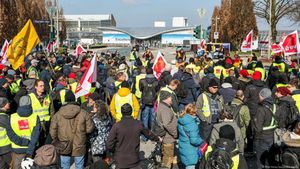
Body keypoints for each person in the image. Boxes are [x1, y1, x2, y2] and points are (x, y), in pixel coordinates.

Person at [50, 90, 94, 169]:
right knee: (79, 165)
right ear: (74, 100)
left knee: (65, 165)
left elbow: (52, 131)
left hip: (63, 143)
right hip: (79, 142)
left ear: (66, 100)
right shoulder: (83, 113)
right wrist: (82, 133)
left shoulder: (58, 114)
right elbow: (90, 129)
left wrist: (56, 140)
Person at [106, 103, 160, 169]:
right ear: (131, 112)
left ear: (122, 112)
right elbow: (149, 134)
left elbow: (109, 144)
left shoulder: (117, 126)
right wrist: (158, 138)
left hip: (121, 160)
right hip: (134, 160)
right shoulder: (138, 124)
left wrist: (115, 151)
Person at [8, 96, 41, 169]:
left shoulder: (12, 117)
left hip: (17, 150)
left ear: (19, 104)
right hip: (32, 150)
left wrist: (24, 142)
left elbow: (11, 135)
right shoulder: (35, 117)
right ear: (30, 104)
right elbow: (35, 136)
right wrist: (29, 150)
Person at [252, 88, 276, 169]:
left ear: (262, 96)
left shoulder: (261, 109)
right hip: (273, 136)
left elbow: (258, 127)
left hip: (262, 138)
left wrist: (255, 138)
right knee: (270, 159)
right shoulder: (276, 106)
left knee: (260, 160)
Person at [178, 104, 204, 169]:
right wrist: (202, 141)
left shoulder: (182, 119)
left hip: (184, 146)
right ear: (193, 113)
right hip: (190, 150)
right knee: (190, 166)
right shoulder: (192, 124)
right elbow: (194, 140)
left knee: (187, 165)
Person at [157, 91, 178, 169]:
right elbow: (167, 124)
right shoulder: (164, 109)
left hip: (168, 137)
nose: (171, 99)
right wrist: (175, 133)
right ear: (166, 98)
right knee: (167, 160)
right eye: (170, 97)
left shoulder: (163, 106)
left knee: (170, 158)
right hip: (168, 138)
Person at [139, 68, 159, 141]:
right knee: (153, 119)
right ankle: (153, 136)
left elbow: (140, 89)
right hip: (153, 101)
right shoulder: (156, 81)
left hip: (145, 101)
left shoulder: (142, 81)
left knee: (145, 119)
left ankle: (144, 137)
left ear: (146, 73)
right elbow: (157, 90)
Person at [0, 97, 11, 169]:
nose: (9, 103)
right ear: (4, 104)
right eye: (7, 102)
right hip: (5, 147)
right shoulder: (4, 117)